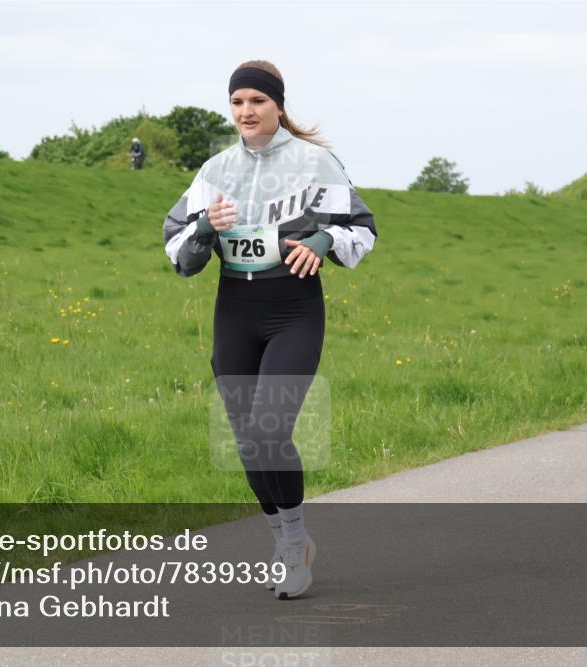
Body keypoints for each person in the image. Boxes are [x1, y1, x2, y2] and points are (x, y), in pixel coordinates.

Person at [162, 60, 377, 598]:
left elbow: (360, 226)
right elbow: (175, 246)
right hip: (234, 308)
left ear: (278, 105)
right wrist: (205, 227)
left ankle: (295, 541)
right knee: (248, 442)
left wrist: (324, 243)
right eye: (237, 102)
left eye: (257, 101)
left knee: (269, 430)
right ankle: (284, 541)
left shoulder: (314, 163)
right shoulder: (216, 171)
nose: (246, 111)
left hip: (293, 308)